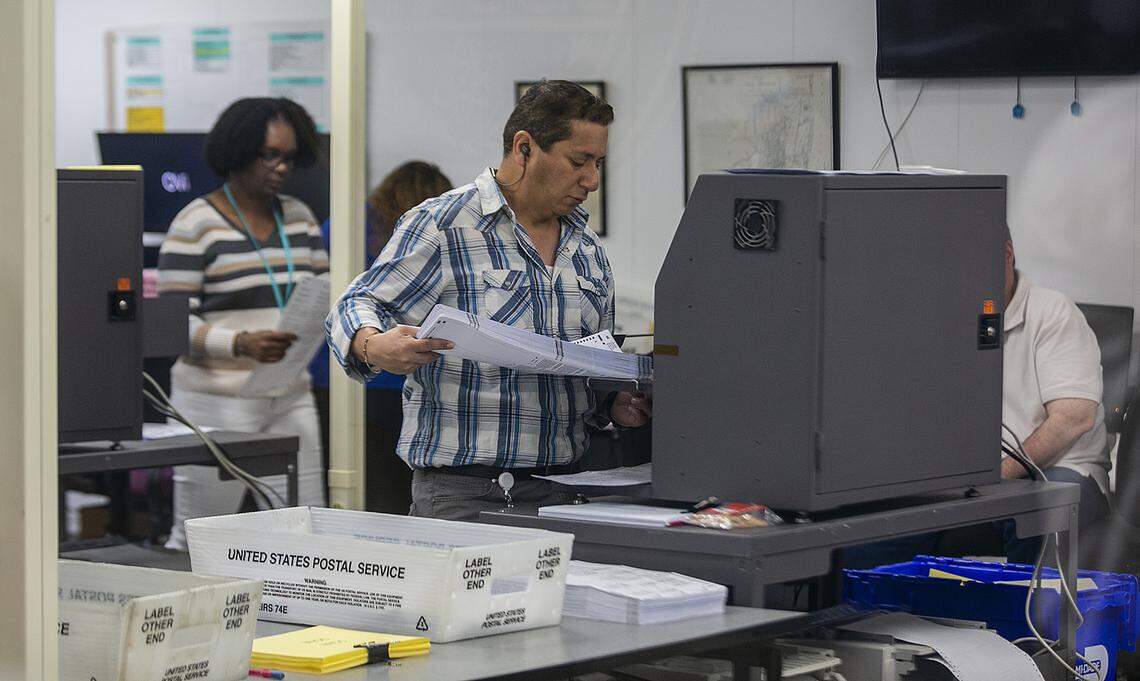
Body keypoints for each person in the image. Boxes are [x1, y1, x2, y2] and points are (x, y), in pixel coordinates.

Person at [327, 80, 651, 521]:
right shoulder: (444, 224)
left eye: (598, 163)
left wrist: (614, 402)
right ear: (524, 149)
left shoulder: (587, 249)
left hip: (566, 491)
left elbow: (588, 368)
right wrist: (373, 344)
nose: (592, 180)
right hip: (465, 493)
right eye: (579, 161)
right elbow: (355, 304)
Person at [158, 97, 328, 549]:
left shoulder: (300, 220)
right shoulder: (194, 225)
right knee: (201, 537)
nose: (280, 168)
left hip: (289, 394)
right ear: (237, 151)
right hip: (215, 404)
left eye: (289, 158)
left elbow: (322, 293)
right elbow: (171, 326)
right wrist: (238, 343)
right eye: (268, 155)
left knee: (305, 531)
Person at [309, 161, 453, 513]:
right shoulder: (433, 230)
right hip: (400, 379)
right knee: (396, 490)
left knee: (359, 487)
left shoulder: (341, 225)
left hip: (335, 372)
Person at [998, 224, 1111, 562]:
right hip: (985, 481)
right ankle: (861, 611)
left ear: (1006, 254)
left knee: (1035, 514)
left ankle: (1027, 616)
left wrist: (998, 474)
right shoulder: (949, 318)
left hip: (1065, 470)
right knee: (884, 523)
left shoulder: (1052, 312)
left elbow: (1073, 418)